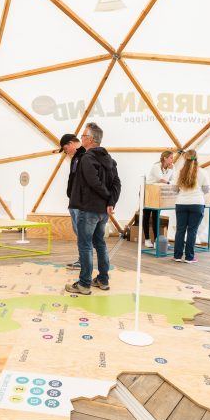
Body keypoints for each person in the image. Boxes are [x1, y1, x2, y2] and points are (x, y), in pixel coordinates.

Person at [66, 122, 120, 296]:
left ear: (90, 139)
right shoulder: (109, 159)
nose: (81, 139)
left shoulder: (87, 158)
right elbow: (116, 183)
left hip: (88, 208)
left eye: (83, 136)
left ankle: (84, 283)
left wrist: (106, 197)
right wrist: (111, 201)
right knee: (100, 244)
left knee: (85, 246)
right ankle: (103, 280)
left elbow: (93, 182)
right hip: (102, 211)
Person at [172, 149, 210, 263]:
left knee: (180, 230)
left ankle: (177, 256)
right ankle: (189, 257)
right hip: (197, 204)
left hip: (181, 203)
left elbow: (174, 189)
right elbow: (206, 189)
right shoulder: (202, 172)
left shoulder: (180, 172)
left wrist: (183, 193)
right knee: (192, 230)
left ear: (185, 158)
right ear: (196, 158)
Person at [59, 133, 85, 270]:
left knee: (81, 233)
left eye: (65, 148)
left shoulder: (83, 156)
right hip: (74, 201)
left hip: (80, 203)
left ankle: (83, 261)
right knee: (79, 232)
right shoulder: (76, 158)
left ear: (71, 144)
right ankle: (82, 260)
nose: (65, 152)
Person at [143, 150, 176, 248]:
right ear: (165, 158)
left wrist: (170, 173)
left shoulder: (172, 167)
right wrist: (169, 172)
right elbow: (163, 179)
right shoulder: (156, 166)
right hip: (148, 192)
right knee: (147, 215)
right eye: (171, 157)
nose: (172, 160)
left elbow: (173, 179)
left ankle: (157, 240)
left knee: (156, 216)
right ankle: (147, 239)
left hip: (157, 192)